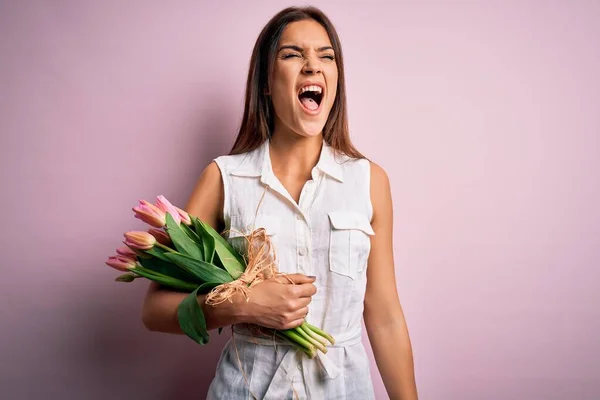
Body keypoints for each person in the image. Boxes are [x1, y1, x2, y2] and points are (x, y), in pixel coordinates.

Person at [141, 6, 418, 400]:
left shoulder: (369, 181)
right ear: (267, 82)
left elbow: (385, 316)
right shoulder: (223, 178)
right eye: (292, 55)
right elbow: (154, 311)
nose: (313, 67)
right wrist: (243, 304)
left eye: (326, 56)